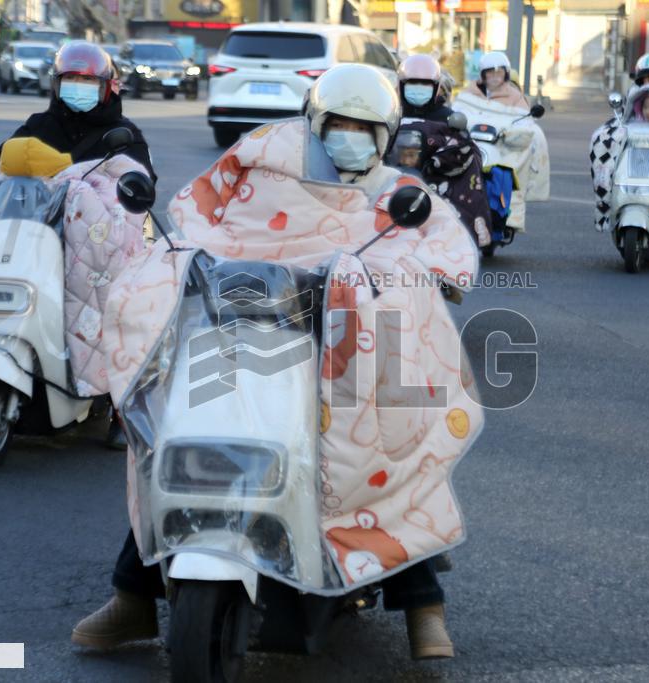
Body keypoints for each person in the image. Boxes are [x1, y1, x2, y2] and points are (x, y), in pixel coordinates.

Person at [72, 64, 463, 661]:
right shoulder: (258, 171)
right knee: (175, 441)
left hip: (343, 350)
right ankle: (133, 595)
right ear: (316, 124)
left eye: (363, 128)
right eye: (338, 125)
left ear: (384, 136)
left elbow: (443, 249)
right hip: (238, 329)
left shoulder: (395, 194)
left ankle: (422, 604)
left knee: (393, 449)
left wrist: (425, 276)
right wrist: (178, 254)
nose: (349, 137)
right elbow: (194, 221)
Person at [0, 41, 155, 443]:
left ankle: (122, 408)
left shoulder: (123, 136)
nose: (78, 87)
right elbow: (1, 168)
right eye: (70, 79)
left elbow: (136, 186)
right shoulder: (38, 125)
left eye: (87, 80)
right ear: (56, 84)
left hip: (92, 248)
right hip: (33, 239)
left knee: (124, 306)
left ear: (107, 87)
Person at [395, 53, 492, 246]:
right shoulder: (390, 112)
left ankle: (465, 228)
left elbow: (463, 149)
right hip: (393, 173)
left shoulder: (448, 117)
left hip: (435, 180)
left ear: (436, 87)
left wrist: (439, 161)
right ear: (401, 85)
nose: (419, 89)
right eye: (413, 83)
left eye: (425, 85)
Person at [464, 51, 530, 109]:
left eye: (499, 72)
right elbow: (459, 111)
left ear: (506, 74)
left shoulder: (516, 97)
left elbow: (525, 118)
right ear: (483, 75)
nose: (495, 76)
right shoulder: (470, 92)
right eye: (490, 72)